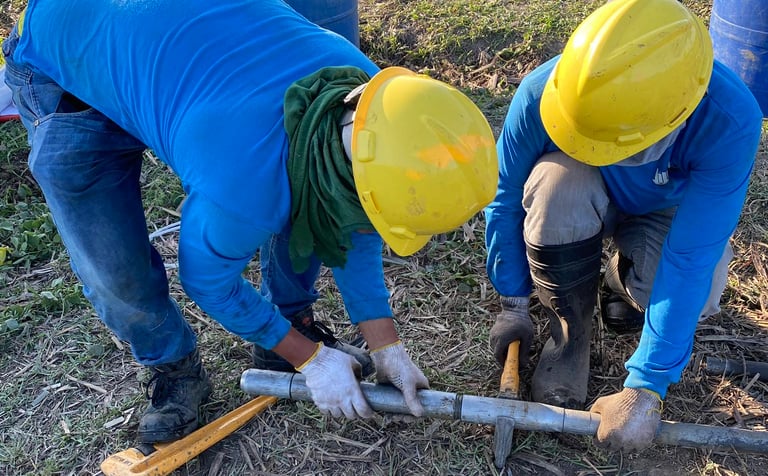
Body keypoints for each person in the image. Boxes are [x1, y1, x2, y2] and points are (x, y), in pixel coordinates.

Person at [2, 0, 498, 444]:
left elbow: (355, 225)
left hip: (167, 53)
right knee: (113, 264)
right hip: (66, 58)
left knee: (312, 203)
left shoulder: (376, 103)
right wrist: (310, 359)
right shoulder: (243, 183)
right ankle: (173, 367)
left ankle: (287, 326)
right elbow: (208, 282)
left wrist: (386, 345)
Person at [484, 0, 763, 452]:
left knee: (705, 288)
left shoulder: (729, 119)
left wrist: (647, 385)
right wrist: (513, 302)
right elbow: (504, 197)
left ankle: (621, 277)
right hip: (580, 192)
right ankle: (570, 339)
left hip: (664, 210)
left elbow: (691, 256)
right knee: (555, 187)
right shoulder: (541, 93)